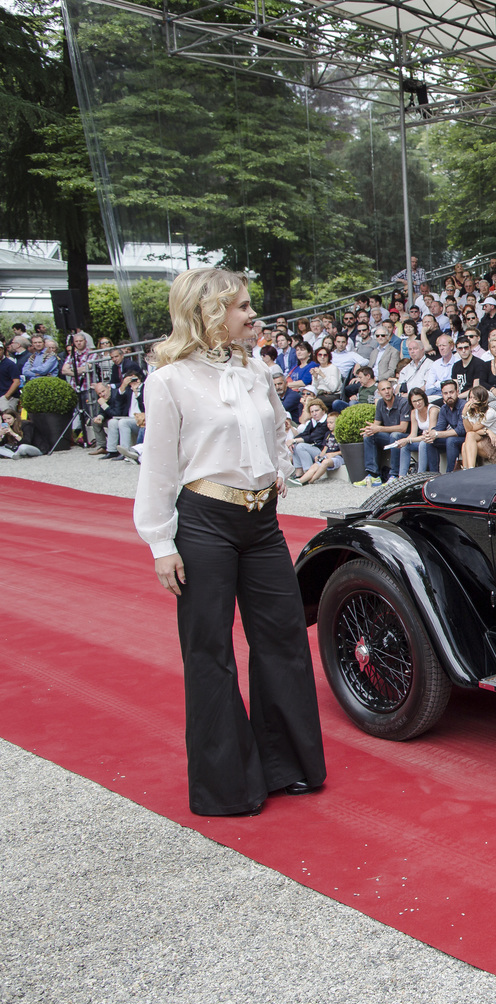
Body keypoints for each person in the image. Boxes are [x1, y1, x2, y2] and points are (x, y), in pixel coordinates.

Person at [131, 267, 325, 817]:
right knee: (209, 651)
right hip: (203, 523)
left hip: (262, 524)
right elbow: (159, 467)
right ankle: (228, 785)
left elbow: (275, 430)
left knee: (283, 639)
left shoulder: (256, 370)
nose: (252, 315)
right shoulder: (169, 379)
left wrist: (277, 470)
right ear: (209, 313)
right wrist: (160, 542)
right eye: (241, 307)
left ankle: (288, 766)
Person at [359, 377, 409, 485]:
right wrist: (370, 430)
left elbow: (403, 427)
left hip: (404, 436)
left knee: (395, 435)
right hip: (389, 436)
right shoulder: (380, 403)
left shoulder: (403, 402)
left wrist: (380, 428)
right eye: (383, 389)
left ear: (393, 389)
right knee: (369, 436)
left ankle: (394, 475)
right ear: (379, 392)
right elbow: (376, 425)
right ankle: (373, 475)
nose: (386, 391)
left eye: (388, 388)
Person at [459, 385, 496, 468]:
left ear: (482, 400)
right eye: (470, 398)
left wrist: (486, 432)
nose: (471, 401)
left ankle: (469, 470)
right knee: (467, 441)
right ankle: (468, 471)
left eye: (474, 398)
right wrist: (487, 431)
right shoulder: (470, 412)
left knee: (467, 444)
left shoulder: (490, 413)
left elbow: (473, 429)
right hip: (483, 437)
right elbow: (469, 431)